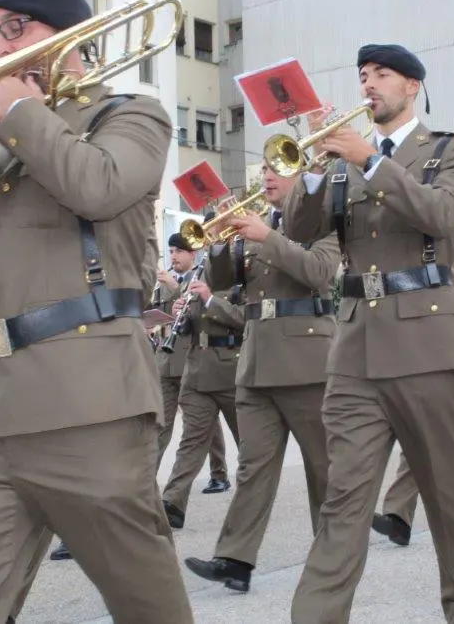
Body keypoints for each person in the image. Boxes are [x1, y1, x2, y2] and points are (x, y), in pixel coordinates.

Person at [0, 0, 192, 623]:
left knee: (144, 602)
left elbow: (99, 187)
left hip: (85, 400)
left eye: (16, 28)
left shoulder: (129, 115)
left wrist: (19, 113)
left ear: (69, 35)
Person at [284, 43, 454, 623]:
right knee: (343, 501)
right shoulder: (343, 159)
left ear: (413, 86)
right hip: (354, 347)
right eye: (363, 76)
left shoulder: (451, 148)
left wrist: (371, 159)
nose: (368, 84)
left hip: (425, 340)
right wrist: (317, 167)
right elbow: (299, 228)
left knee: (448, 495)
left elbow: (443, 215)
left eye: (382, 75)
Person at [184, 162, 340, 592]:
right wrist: (216, 244)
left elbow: (320, 274)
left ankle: (333, 557)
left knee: (323, 467)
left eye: (280, 170)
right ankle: (235, 559)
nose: (268, 177)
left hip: (306, 359)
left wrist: (267, 238)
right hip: (256, 361)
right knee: (253, 468)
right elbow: (221, 283)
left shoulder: (323, 223)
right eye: (266, 169)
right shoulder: (259, 224)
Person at [372, 229, 454, 547]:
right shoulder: (406, 243)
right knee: (416, 432)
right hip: (418, 348)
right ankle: (399, 515)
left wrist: (435, 272)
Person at [160, 213, 245, 530]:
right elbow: (186, 329)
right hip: (197, 370)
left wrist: (209, 301)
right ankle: (172, 503)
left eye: (216, 232)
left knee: (248, 443)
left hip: (230, 368)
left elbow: (245, 316)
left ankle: (250, 502)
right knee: (191, 442)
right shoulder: (193, 274)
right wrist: (181, 312)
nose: (209, 237)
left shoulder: (240, 267)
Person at [150, 232, 232, 491]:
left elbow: (205, 311)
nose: (173, 256)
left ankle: (219, 472)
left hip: (191, 358)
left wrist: (177, 289)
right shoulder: (162, 283)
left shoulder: (202, 276)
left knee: (203, 423)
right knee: (160, 424)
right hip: (166, 359)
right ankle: (146, 484)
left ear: (192, 254)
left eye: (178, 251)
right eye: (171, 251)